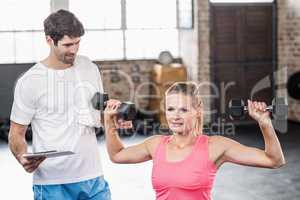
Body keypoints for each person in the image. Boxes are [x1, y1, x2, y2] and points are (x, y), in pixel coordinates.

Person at [8, 9, 130, 200]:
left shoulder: (88, 67)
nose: (74, 49)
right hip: (52, 182)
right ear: (49, 40)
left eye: (77, 42)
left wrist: (114, 117)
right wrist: (22, 157)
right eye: (67, 45)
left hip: (92, 176)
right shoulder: (30, 81)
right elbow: (16, 133)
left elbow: (99, 112)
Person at [104, 82, 286, 200]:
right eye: (171, 109)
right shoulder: (155, 144)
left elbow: (274, 160)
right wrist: (108, 121)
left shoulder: (216, 146)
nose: (175, 116)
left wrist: (264, 123)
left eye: (183, 110)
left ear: (197, 110)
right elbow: (117, 155)